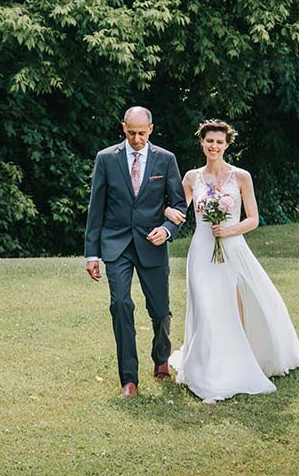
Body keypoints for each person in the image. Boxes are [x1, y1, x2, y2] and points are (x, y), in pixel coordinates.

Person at [165, 120, 299, 404]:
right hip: (201, 249)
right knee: (206, 308)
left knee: (235, 307)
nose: (214, 146)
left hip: (232, 248)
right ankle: (207, 374)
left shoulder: (241, 177)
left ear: (226, 145)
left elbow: (253, 219)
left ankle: (238, 363)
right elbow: (179, 210)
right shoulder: (191, 178)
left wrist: (229, 229)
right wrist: (167, 211)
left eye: (219, 142)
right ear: (202, 142)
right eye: (209, 141)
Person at [84, 107, 187, 397]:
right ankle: (129, 380)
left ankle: (161, 359)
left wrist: (166, 230)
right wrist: (92, 254)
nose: (137, 139)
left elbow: (179, 206)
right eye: (132, 133)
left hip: (151, 245)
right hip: (116, 245)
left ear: (151, 130)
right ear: (123, 128)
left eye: (142, 133)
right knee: (120, 305)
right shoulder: (106, 159)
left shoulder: (166, 160)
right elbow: (96, 209)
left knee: (159, 309)